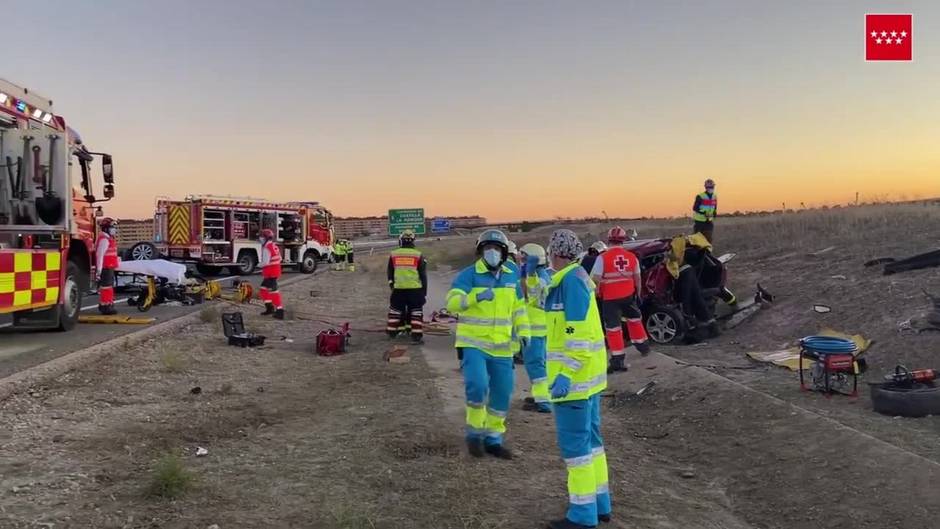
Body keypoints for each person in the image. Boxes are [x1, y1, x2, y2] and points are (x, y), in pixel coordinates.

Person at [544, 229, 611, 529]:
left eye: (549, 252)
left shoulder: (570, 283)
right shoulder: (574, 278)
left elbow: (578, 338)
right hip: (589, 381)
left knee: (577, 450)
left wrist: (565, 374)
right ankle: (600, 503)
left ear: (556, 253)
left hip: (574, 383)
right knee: (592, 444)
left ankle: (583, 515)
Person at [446, 229, 529, 459]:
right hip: (474, 345)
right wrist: (475, 297)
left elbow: (519, 309)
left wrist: (524, 331)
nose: (491, 252)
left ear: (503, 252)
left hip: (502, 347)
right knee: (477, 385)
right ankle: (474, 433)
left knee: (502, 393)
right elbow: (451, 303)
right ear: (480, 252)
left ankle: (493, 438)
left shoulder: (511, 276)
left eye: (496, 248)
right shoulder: (468, 275)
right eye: (487, 248)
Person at [590, 226, 651, 374]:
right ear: (623, 240)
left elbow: (595, 280)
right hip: (628, 296)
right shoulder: (631, 257)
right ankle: (643, 346)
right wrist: (638, 293)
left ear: (608, 240)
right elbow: (637, 278)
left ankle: (618, 359)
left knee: (613, 328)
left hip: (610, 299)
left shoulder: (602, 258)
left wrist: (596, 293)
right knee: (635, 320)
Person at [520, 243, 552, 413]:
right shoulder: (543, 275)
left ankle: (543, 401)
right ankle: (541, 394)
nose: (521, 261)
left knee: (535, 365)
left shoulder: (538, 278)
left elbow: (527, 295)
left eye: (524, 258)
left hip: (535, 329)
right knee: (540, 364)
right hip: (541, 328)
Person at [386, 229, 427, 343]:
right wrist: (424, 291)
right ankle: (416, 336)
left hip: (398, 289)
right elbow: (423, 275)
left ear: (401, 240)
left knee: (395, 311)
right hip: (415, 289)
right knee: (416, 312)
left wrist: (391, 284)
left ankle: (392, 332)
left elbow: (390, 271)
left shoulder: (394, 254)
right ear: (413, 241)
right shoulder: (418, 254)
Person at [95, 218, 120, 315]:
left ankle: (107, 304)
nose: (113, 229)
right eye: (111, 227)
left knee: (108, 287)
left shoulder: (108, 239)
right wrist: (99, 270)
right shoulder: (104, 240)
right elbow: (100, 255)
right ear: (106, 229)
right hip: (106, 267)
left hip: (109, 267)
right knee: (106, 287)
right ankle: (106, 306)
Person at [258, 229, 285, 319]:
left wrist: (258, 265)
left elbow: (265, 262)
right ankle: (270, 308)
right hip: (275, 271)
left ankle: (279, 311)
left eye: (262, 237)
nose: (260, 239)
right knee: (263, 289)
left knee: (273, 291)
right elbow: (280, 258)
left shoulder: (267, 247)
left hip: (270, 273)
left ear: (266, 238)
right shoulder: (273, 245)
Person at [692, 178, 718, 242]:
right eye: (709, 187)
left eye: (712, 186)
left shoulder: (714, 196)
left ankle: (707, 248)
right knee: (697, 240)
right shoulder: (700, 196)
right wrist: (704, 213)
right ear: (706, 187)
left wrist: (714, 213)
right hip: (699, 221)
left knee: (708, 239)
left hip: (709, 221)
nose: (711, 188)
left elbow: (714, 207)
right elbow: (695, 208)